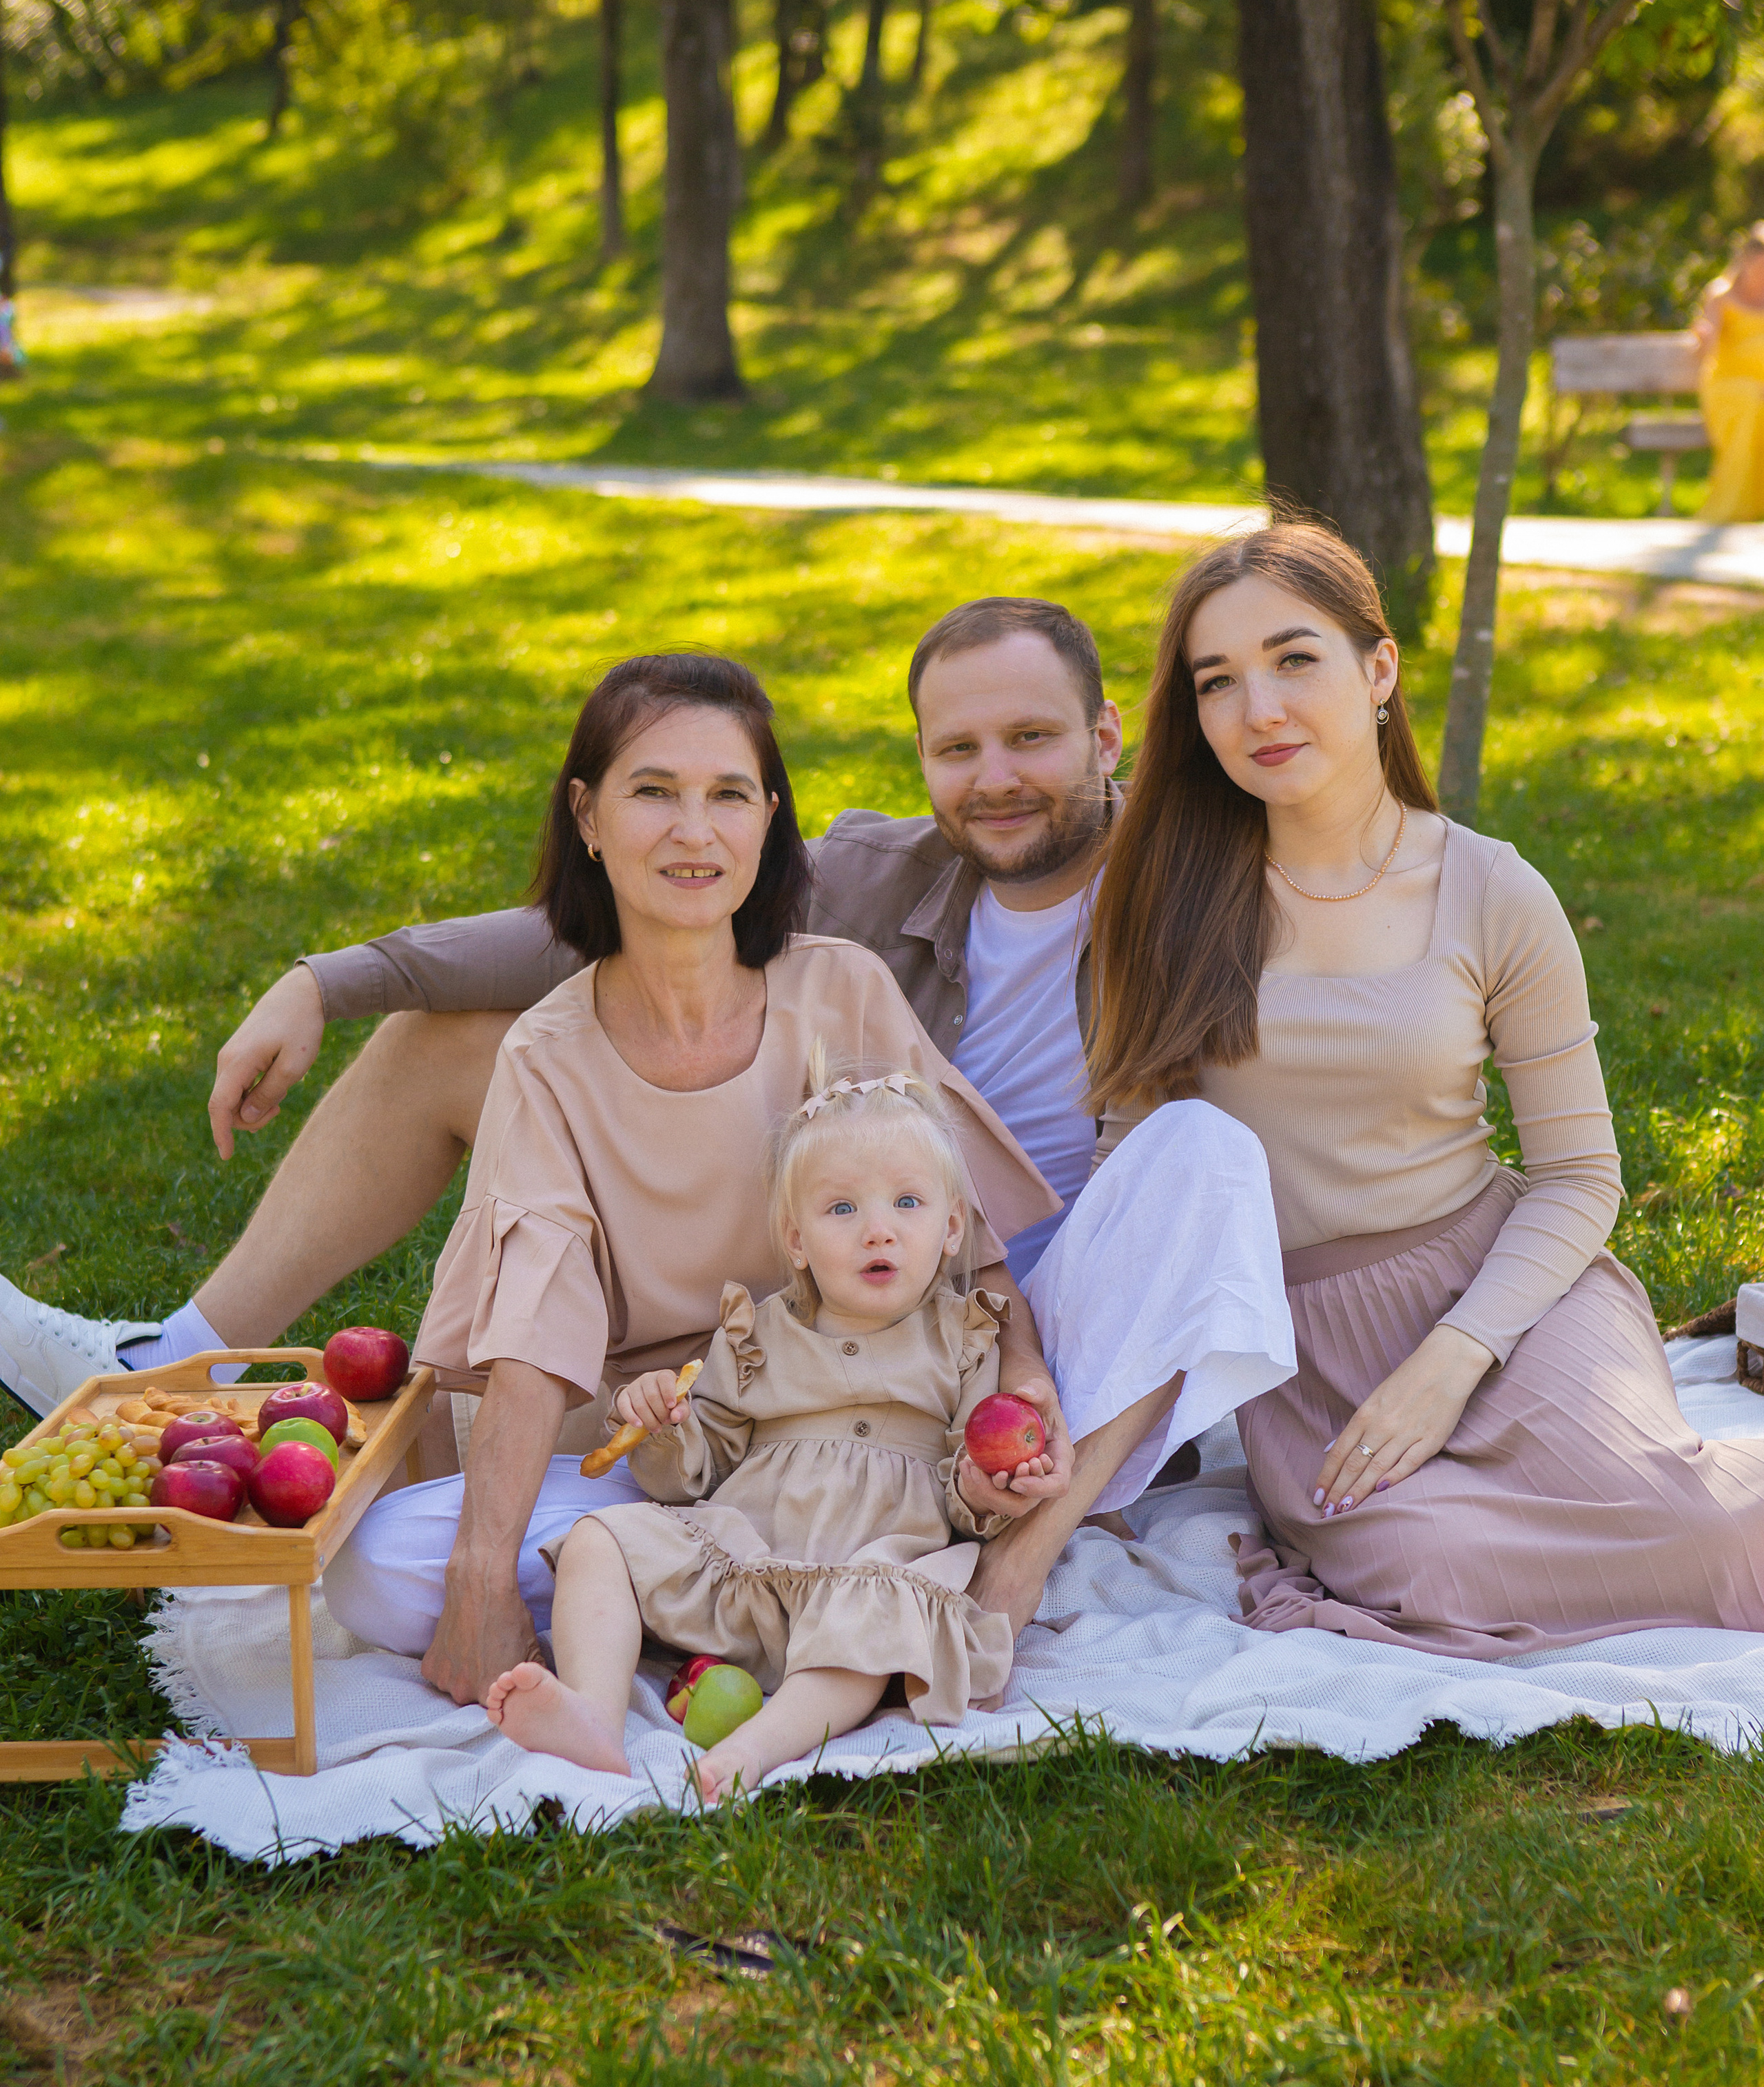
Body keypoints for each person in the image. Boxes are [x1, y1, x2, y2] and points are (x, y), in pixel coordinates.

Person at [0, 598, 1295, 1634]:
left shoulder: (1188, 892)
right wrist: (325, 979)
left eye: (1034, 739)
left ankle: (994, 1548)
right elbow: (611, 915)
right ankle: (167, 1368)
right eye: (958, 748)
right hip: (796, 1279)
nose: (995, 778)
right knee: (448, 1047)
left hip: (1024, 1310)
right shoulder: (865, 871)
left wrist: (1008, 1377)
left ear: (1110, 734)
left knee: (1203, 1154)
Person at [320, 648, 1293, 1702]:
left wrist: (1023, 1385)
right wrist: (475, 1576)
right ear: (589, 818)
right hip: (697, 1463)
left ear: (767, 823)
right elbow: (534, 1346)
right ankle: (822, 1602)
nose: (695, 832)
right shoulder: (549, 1055)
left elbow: (973, 1244)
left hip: (907, 1438)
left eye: (728, 795)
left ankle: (965, 1581)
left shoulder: (843, 991)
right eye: (654, 793)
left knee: (1204, 1154)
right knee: (378, 1573)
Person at [1084, 518, 1764, 1657]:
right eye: (1219, 682)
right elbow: (1136, 1171)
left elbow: (1578, 1177)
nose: (1260, 711)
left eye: (1295, 659)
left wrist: (1455, 1358)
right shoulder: (1165, 896)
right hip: (1304, 1339)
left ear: (1379, 669)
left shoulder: (1493, 890)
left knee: (1704, 1532)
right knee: (1434, 1568)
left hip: (1507, 1290)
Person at [486, 1050, 1045, 1802]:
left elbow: (960, 1485)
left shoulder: (964, 1336)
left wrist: (983, 1487)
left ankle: (757, 1748)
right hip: (744, 1566)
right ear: (795, 1241)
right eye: (842, 1209)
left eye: (906, 1204)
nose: (877, 1231)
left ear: (951, 1230)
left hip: (867, 1573)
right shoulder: (759, 1332)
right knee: (600, 1538)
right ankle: (592, 1714)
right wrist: (659, 1425)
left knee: (879, 1620)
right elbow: (695, 1467)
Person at [1696, 225, 1764, 525]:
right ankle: (1734, 507)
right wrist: (1704, 335)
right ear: (1747, 259)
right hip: (1727, 388)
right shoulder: (1721, 294)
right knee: (1752, 400)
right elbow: (1707, 344)